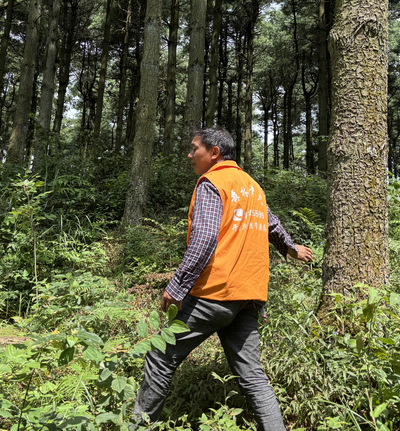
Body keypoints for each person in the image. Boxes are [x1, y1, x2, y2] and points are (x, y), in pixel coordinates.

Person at [133, 126, 314, 430]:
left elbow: (203, 241)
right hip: (250, 296)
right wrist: (292, 249)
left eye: (194, 149)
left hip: (214, 294)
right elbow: (272, 224)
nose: (190, 155)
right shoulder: (252, 186)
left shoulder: (211, 182)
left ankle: (136, 427)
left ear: (214, 153)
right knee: (253, 377)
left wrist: (176, 287)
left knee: (160, 357)